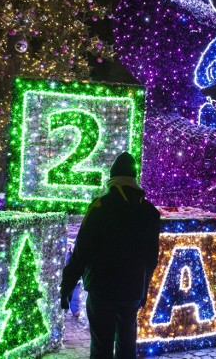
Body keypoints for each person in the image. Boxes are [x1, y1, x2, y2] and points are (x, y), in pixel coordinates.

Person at [61, 152, 161, 359]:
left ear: (112, 179)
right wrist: (144, 289)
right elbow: (152, 257)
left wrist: (67, 286)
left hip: (102, 289)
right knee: (127, 344)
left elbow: (82, 251)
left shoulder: (101, 207)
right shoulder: (150, 211)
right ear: (134, 180)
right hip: (133, 289)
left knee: (101, 345)